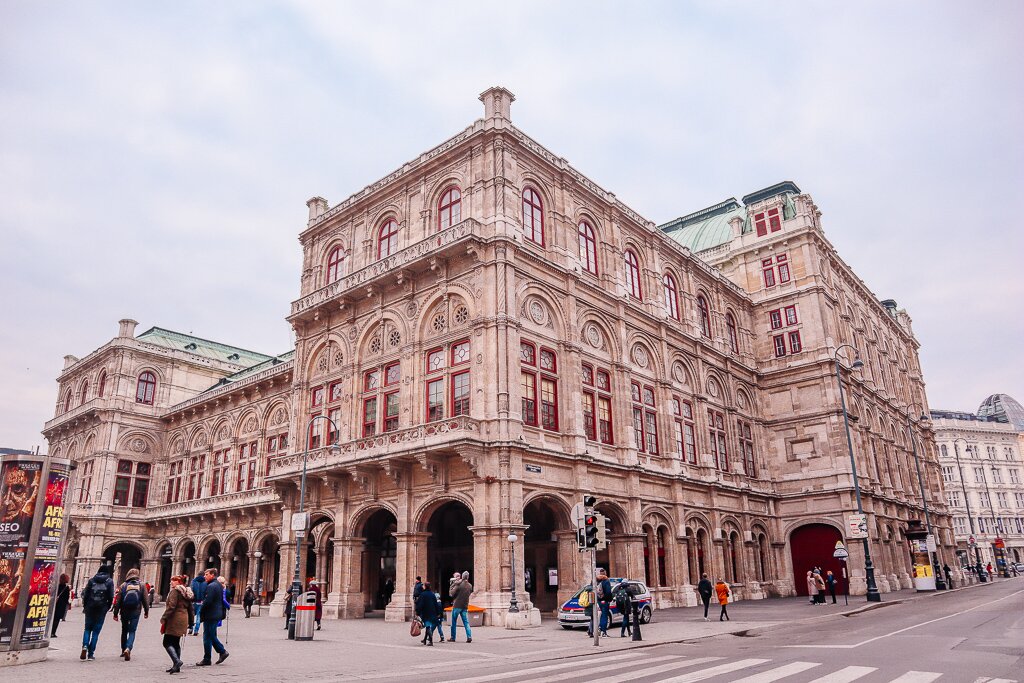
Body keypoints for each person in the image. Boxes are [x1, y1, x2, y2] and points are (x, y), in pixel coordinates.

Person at [112, 568, 150, 661]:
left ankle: (123, 650)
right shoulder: (142, 585)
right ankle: (128, 648)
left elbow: (118, 601)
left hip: (124, 611)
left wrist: (115, 613)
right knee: (132, 631)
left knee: (124, 630)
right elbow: (145, 600)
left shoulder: (123, 585)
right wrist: (146, 611)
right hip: (136, 611)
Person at [160, 575, 194, 675]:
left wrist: (164, 617)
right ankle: (176, 666)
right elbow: (190, 609)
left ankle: (176, 661)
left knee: (166, 642)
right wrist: (191, 622)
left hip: (175, 619)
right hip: (183, 619)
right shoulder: (186, 592)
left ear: (178, 582)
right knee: (175, 642)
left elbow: (172, 606)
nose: (171, 583)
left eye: (173, 581)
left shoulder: (175, 591)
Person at [80, 564, 114, 661]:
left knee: (87, 629)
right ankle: (91, 654)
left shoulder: (92, 580)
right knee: (96, 632)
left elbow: (86, 594)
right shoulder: (109, 581)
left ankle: (84, 647)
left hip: (90, 607)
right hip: (101, 608)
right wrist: (108, 606)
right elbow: (111, 596)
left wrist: (85, 606)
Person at [196, 568, 229, 667]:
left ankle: (218, 653)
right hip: (215, 614)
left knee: (208, 636)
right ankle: (213, 655)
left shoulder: (211, 586)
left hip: (211, 614)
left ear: (212, 575)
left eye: (207, 574)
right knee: (210, 635)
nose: (204, 576)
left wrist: (201, 609)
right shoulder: (218, 585)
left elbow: (208, 601)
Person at [449, 570, 473, 643]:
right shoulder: (470, 585)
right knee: (466, 622)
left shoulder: (458, 584)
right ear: (468, 577)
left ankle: (453, 637)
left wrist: (452, 585)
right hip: (465, 605)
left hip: (457, 605)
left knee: (453, 622)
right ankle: (469, 636)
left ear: (462, 577)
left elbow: (451, 594)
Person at [415, 581, 440, 646]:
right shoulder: (432, 594)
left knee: (428, 626)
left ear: (425, 586)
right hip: (432, 612)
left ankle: (431, 641)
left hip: (426, 613)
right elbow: (436, 604)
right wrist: (438, 613)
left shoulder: (423, 594)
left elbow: (420, 605)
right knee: (427, 626)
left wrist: (417, 612)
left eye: (423, 586)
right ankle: (424, 640)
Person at [595, 568, 613, 637]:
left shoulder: (597, 581)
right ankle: (603, 631)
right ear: (605, 573)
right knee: (605, 615)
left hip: (599, 600)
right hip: (605, 601)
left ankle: (600, 628)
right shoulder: (606, 581)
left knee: (602, 615)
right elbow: (608, 592)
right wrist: (609, 599)